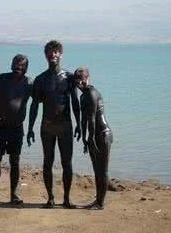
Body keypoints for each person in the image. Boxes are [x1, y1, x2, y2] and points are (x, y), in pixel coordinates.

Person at [27, 40, 81, 208]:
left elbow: (75, 102)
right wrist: (29, 128)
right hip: (47, 126)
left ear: (61, 54)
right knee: (47, 162)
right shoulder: (41, 79)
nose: (53, 55)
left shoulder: (69, 77)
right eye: (50, 52)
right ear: (45, 56)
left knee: (67, 163)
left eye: (56, 52)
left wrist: (79, 124)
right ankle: (50, 198)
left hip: (65, 126)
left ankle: (66, 199)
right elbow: (35, 105)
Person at [0, 54, 33, 205]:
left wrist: (31, 127)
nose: (18, 67)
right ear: (11, 65)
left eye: (22, 65)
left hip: (17, 128)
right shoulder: (2, 79)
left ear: (26, 68)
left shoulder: (30, 83)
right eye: (15, 64)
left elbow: (39, 101)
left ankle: (14, 194)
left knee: (15, 161)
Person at [73, 66, 113, 210]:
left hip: (102, 135)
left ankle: (100, 203)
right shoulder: (82, 95)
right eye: (78, 81)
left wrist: (92, 139)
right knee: (97, 170)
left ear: (88, 78)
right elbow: (84, 120)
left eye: (83, 80)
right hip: (94, 135)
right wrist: (84, 139)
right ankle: (98, 200)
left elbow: (92, 120)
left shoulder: (91, 93)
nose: (81, 84)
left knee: (102, 170)